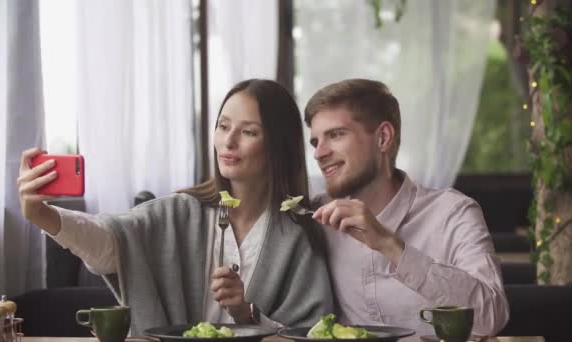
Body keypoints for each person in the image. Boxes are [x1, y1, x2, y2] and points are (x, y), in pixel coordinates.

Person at [17, 79, 334, 335]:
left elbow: (313, 332)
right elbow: (110, 240)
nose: (229, 141)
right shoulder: (178, 213)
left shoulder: (299, 234)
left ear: (278, 145)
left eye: (248, 132)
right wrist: (43, 215)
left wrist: (247, 312)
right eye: (223, 127)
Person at [304, 79, 509, 336]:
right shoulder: (315, 217)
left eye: (335, 135)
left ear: (383, 138)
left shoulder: (453, 213)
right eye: (315, 142)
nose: (319, 153)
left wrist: (390, 246)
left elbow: (491, 316)